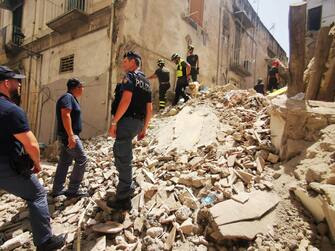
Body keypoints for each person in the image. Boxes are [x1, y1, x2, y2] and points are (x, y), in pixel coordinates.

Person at [0, 66, 65, 250]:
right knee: (37, 195)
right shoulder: (11, 110)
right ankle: (44, 241)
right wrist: (36, 163)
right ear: (6, 83)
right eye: (16, 80)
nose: (19, 84)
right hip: (5, 165)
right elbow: (32, 145)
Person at [108, 51, 153, 211]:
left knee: (123, 157)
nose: (123, 64)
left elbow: (126, 99)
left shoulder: (130, 77)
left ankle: (123, 198)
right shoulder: (146, 82)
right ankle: (128, 184)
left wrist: (114, 122)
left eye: (125, 61)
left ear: (133, 62)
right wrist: (144, 128)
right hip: (138, 122)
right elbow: (149, 108)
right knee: (122, 152)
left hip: (126, 121)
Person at [52, 78, 88, 198]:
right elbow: (65, 114)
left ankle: (57, 189)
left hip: (67, 135)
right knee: (82, 159)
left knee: (64, 162)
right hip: (69, 136)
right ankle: (73, 190)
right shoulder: (67, 97)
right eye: (82, 87)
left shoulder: (72, 99)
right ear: (77, 87)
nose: (83, 89)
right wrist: (71, 135)